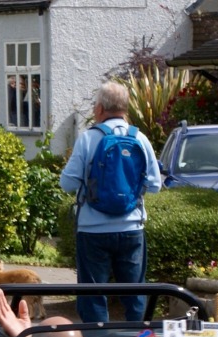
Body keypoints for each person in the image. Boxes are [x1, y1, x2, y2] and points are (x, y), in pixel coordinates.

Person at [60, 81, 162, 323]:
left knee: (93, 296)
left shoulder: (88, 139)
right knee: (136, 295)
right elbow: (155, 185)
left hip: (93, 229)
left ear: (99, 109)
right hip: (131, 228)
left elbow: (67, 184)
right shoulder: (141, 139)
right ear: (126, 109)